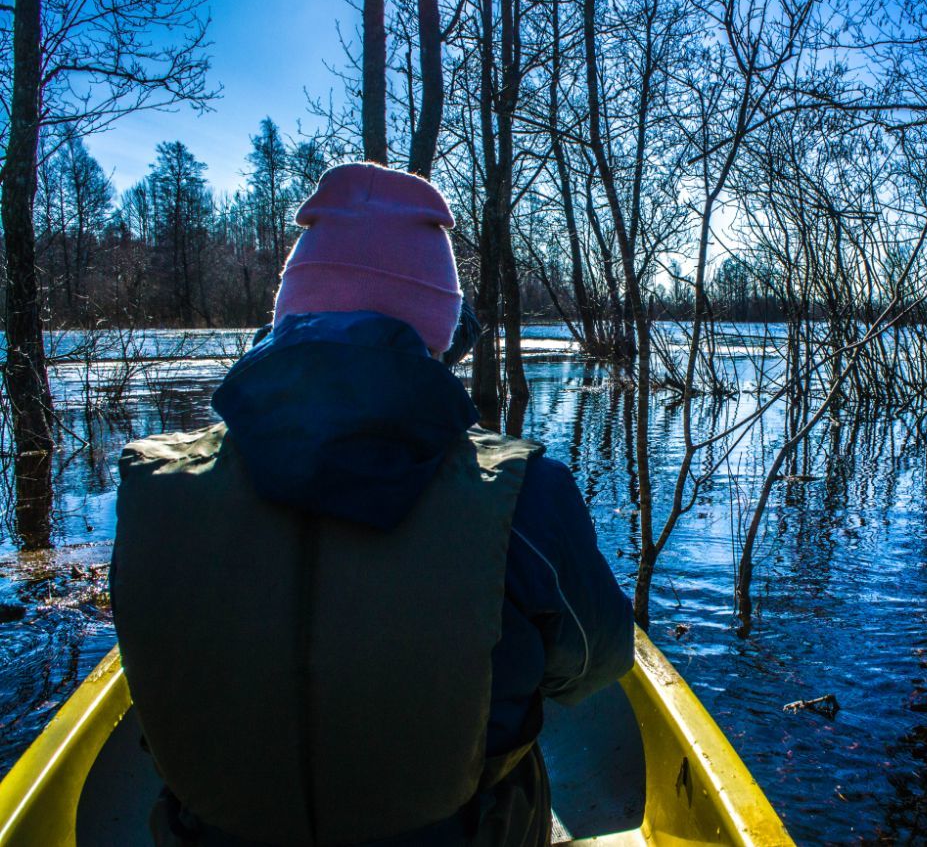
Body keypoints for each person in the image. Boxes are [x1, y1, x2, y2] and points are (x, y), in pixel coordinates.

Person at [110, 162, 635, 847]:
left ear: (289, 312)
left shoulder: (156, 486)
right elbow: (597, 660)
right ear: (436, 328)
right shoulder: (524, 495)